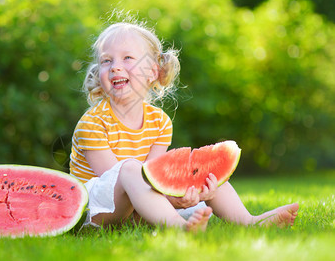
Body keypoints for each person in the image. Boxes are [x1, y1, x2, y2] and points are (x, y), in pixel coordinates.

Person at [69, 19, 299, 231]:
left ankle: (250, 221)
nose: (115, 66)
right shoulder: (92, 123)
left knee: (205, 172)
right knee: (129, 168)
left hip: (139, 203)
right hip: (96, 209)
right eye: (106, 61)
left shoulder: (159, 122)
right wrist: (168, 199)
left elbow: (152, 178)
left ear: (153, 72)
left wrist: (179, 196)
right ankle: (179, 226)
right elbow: (114, 182)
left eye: (127, 58)